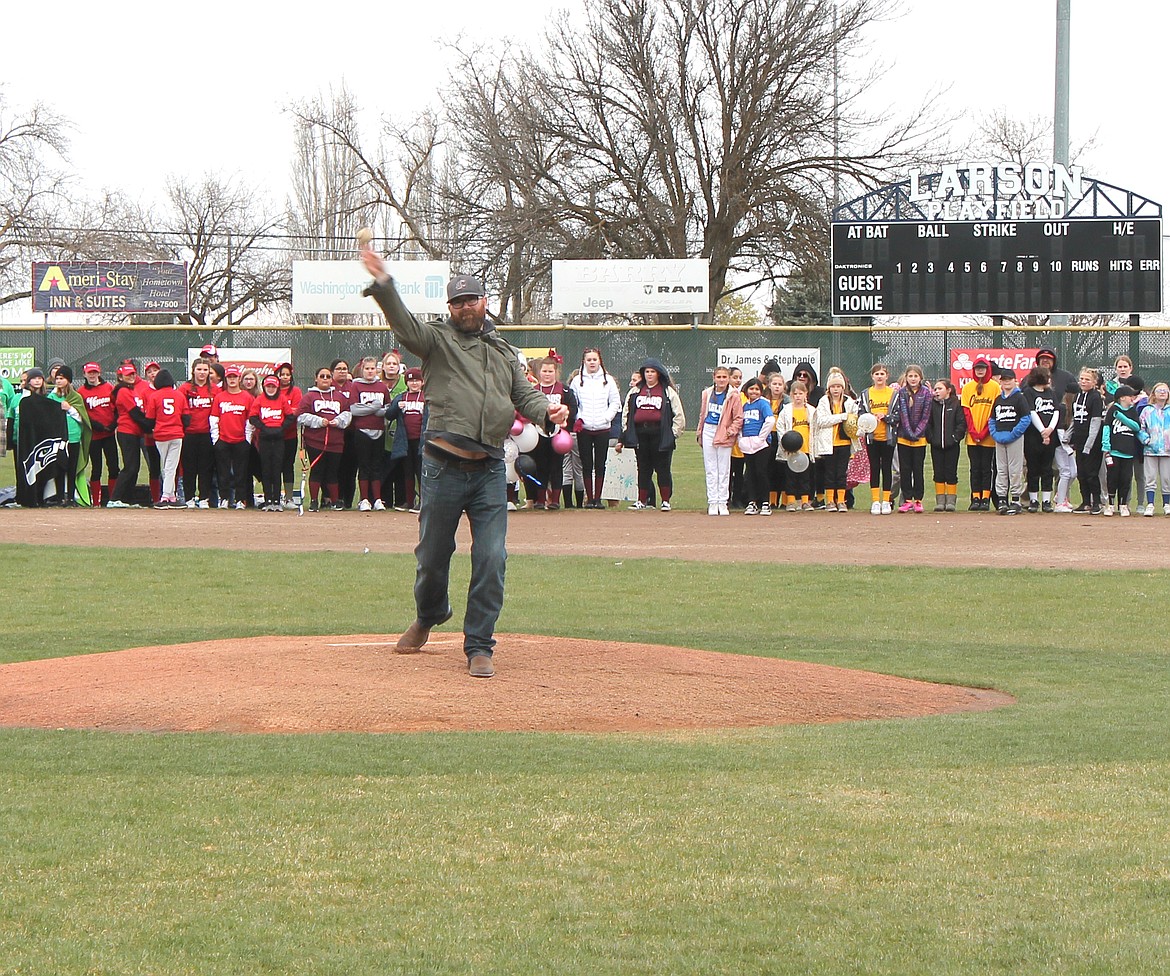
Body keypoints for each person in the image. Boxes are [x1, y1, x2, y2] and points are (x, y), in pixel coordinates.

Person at [360, 249, 569, 680]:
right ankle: (429, 614)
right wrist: (385, 286)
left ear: (484, 302)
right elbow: (405, 326)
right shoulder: (436, 340)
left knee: (492, 557)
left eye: (471, 299)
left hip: (490, 469)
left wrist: (548, 411)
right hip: (442, 468)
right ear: (449, 308)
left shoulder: (503, 350)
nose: (465, 306)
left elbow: (523, 395)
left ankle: (479, 644)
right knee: (433, 557)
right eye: (457, 301)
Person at [618, 359, 686, 511]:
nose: (649, 375)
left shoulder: (667, 391)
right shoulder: (636, 390)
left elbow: (679, 415)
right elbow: (626, 413)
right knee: (643, 468)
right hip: (641, 434)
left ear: (658, 374)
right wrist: (627, 431)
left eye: (652, 372)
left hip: (660, 435)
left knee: (663, 468)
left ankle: (665, 501)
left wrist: (673, 434)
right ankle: (642, 500)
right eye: (647, 372)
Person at [568, 347, 622, 509]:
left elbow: (615, 403)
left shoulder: (608, 380)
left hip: (602, 428)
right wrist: (578, 418)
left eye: (594, 359)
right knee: (586, 463)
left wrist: (606, 417)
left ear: (600, 361)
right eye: (589, 360)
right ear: (584, 361)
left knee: (600, 463)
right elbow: (573, 402)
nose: (592, 362)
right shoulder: (577, 381)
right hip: (584, 428)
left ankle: (598, 498)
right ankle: (589, 499)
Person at [297, 364, 352, 512]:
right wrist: (318, 421)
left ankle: (334, 500)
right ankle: (314, 500)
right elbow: (301, 416)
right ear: (316, 379)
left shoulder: (339, 397)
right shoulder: (309, 396)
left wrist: (339, 421)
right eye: (322, 376)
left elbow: (348, 413)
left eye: (328, 376)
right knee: (317, 470)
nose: (325, 379)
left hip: (335, 442)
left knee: (333, 472)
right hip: (315, 441)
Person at [696, 365, 742, 516]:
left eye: (724, 377)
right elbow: (703, 414)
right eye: (719, 377)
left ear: (728, 378)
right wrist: (700, 431)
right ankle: (712, 501)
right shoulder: (707, 393)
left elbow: (738, 418)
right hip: (709, 430)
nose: (721, 380)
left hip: (724, 432)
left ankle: (723, 502)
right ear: (714, 378)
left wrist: (730, 432)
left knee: (723, 469)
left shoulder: (733, 395)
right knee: (710, 469)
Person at [348, 356, 392, 511]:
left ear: (377, 370)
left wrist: (373, 409)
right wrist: (374, 408)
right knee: (364, 466)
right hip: (362, 431)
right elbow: (354, 409)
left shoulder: (382, 387)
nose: (370, 371)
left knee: (376, 466)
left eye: (372, 368)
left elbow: (387, 409)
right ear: (362, 370)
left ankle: (377, 499)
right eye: (367, 368)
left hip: (379, 430)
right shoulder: (356, 386)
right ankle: (364, 499)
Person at [811, 370, 856, 512]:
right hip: (828, 444)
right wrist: (841, 417)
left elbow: (854, 418)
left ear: (843, 388)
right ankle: (830, 500)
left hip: (844, 443)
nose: (836, 389)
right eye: (833, 387)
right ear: (828, 388)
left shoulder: (849, 402)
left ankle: (841, 500)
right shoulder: (824, 401)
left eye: (838, 386)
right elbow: (822, 421)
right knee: (829, 473)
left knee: (841, 473)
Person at [210, 365, 254, 510]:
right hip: (223, 440)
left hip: (240, 441)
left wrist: (247, 439)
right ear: (225, 379)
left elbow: (250, 420)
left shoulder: (247, 397)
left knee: (240, 472)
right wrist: (216, 439)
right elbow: (214, 418)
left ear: (239, 378)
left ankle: (240, 499)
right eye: (229, 377)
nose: (232, 380)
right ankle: (224, 498)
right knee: (223, 473)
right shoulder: (220, 397)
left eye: (235, 377)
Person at [988, 368, 1030, 515]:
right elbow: (992, 419)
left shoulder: (1019, 398)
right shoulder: (998, 399)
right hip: (1000, 437)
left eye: (1009, 379)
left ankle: (1016, 500)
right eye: (1004, 380)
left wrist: (1014, 433)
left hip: (1014, 438)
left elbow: (1026, 418)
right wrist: (994, 433)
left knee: (1015, 469)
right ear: (1000, 382)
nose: (1006, 382)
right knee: (1001, 469)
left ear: (1015, 381)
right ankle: (1002, 499)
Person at [960, 357, 1000, 511]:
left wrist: (983, 432)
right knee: (975, 468)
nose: (980, 370)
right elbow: (967, 412)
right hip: (972, 437)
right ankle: (975, 497)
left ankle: (985, 498)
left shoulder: (995, 387)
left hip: (988, 436)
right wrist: (974, 432)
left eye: (983, 368)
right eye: (977, 368)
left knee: (986, 468)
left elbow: (994, 412)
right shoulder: (968, 387)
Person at [48, 366, 92, 506]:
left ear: (68, 380)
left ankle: (71, 497)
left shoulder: (76, 397)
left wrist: (70, 409)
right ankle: (60, 497)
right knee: (59, 468)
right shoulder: (52, 397)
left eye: (62, 378)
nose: (59, 381)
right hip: (58, 438)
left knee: (72, 468)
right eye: (57, 379)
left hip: (73, 437)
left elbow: (82, 418)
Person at [108, 364, 150, 508]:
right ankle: (115, 498)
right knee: (130, 467)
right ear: (120, 377)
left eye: (133, 374)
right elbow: (135, 414)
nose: (131, 376)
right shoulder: (123, 391)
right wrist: (151, 425)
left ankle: (126, 499)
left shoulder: (129, 390)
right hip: (127, 432)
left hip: (134, 432)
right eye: (127, 375)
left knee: (134, 467)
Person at [385, 366, 427, 513]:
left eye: (417, 381)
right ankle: (409, 502)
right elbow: (389, 415)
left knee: (421, 471)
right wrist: (396, 406)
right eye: (411, 381)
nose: (414, 384)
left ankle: (423, 502)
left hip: (422, 441)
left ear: (422, 382)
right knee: (407, 471)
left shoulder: (426, 397)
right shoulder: (402, 397)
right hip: (405, 440)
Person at [1021, 366, 1061, 512]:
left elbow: (1056, 411)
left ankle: (1046, 501)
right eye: (1047, 377)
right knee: (1033, 469)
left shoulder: (1050, 393)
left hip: (1050, 437)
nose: (1049, 380)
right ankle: (1033, 500)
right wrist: (1042, 431)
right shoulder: (1028, 392)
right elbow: (1031, 412)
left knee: (1047, 468)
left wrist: (1049, 430)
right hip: (1033, 436)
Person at [892, 365, 932, 513]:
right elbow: (903, 414)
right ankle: (907, 500)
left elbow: (926, 416)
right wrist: (909, 432)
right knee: (905, 469)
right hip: (904, 438)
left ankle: (918, 500)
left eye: (916, 376)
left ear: (920, 377)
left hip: (920, 440)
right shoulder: (901, 393)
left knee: (918, 469)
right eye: (910, 376)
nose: (913, 379)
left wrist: (917, 432)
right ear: (906, 378)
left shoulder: (926, 393)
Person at [145, 369, 186, 509]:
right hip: (176, 434)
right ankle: (167, 496)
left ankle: (169, 495)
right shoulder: (179, 395)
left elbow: (150, 419)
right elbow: (186, 418)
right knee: (170, 467)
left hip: (161, 435)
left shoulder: (155, 396)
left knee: (167, 466)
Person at [79, 362, 119, 506]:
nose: (92, 375)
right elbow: (82, 414)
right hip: (94, 435)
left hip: (109, 434)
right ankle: (96, 501)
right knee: (96, 468)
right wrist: (97, 426)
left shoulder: (108, 387)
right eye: (89, 373)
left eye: (94, 372)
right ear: (84, 374)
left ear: (99, 373)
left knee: (113, 467)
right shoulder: (82, 391)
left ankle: (112, 500)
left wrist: (113, 425)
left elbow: (117, 408)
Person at [179, 359, 216, 508]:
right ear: (193, 371)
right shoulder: (185, 388)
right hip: (189, 433)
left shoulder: (215, 390)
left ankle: (204, 498)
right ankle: (189, 498)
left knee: (205, 468)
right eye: (199, 369)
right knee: (189, 468)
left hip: (207, 433)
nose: (202, 373)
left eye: (205, 370)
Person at [859, 363, 895, 515]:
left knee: (887, 468)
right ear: (872, 376)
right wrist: (869, 418)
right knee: (874, 468)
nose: (879, 376)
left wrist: (885, 417)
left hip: (887, 438)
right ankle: (875, 501)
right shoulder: (866, 394)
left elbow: (898, 416)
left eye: (882, 374)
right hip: (872, 439)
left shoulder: (893, 393)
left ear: (887, 376)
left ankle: (886, 501)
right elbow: (860, 413)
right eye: (876, 374)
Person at [925, 378, 966, 512]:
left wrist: (955, 438)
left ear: (948, 390)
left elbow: (961, 424)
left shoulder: (956, 404)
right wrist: (931, 438)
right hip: (936, 445)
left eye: (940, 388)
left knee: (951, 472)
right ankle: (940, 501)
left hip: (952, 445)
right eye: (935, 389)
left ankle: (951, 501)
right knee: (938, 473)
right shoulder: (932, 405)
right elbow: (928, 423)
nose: (937, 391)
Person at [1101, 385, 1142, 517]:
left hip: (1128, 451)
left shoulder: (1132, 411)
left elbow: (1136, 427)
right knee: (1112, 478)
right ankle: (1111, 505)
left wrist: (1122, 417)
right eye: (1130, 396)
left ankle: (1123, 505)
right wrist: (1106, 446)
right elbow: (1106, 428)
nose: (1132, 398)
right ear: (1122, 398)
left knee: (1126, 479)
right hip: (1114, 451)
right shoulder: (1112, 409)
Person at [737, 377, 775, 515]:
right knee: (750, 473)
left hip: (761, 445)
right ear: (746, 390)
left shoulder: (763, 404)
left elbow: (770, 420)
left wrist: (761, 438)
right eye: (751, 389)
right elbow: (740, 423)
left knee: (761, 472)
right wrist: (741, 438)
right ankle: (752, 502)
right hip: (747, 444)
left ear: (761, 391)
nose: (754, 391)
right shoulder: (745, 406)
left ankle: (765, 502)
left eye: (757, 389)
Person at [1070, 367, 1104, 515]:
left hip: (1092, 442)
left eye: (1087, 379)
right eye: (1082, 379)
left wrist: (1089, 444)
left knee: (1091, 472)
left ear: (1094, 382)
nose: (1083, 382)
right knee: (1081, 472)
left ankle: (1096, 502)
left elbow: (1096, 422)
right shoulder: (1077, 396)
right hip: (1079, 439)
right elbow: (1075, 418)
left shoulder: (1095, 397)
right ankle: (1085, 502)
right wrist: (1068, 435)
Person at [1139, 381, 1170, 516]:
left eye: (1165, 390)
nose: (1162, 392)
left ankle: (1166, 504)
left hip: (1167, 451)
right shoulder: (1147, 410)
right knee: (1150, 477)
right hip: (1150, 450)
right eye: (1159, 390)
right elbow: (1140, 428)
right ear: (1154, 394)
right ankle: (1150, 504)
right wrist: (1146, 440)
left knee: (1166, 478)